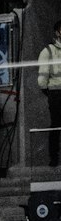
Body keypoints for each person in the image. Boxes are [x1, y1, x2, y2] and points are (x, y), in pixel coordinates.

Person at [39, 21, 61, 168]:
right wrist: (49, 91)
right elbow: (42, 77)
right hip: (56, 93)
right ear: (57, 32)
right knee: (56, 125)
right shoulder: (48, 51)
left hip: (54, 93)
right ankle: (54, 158)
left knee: (56, 125)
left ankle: (54, 159)